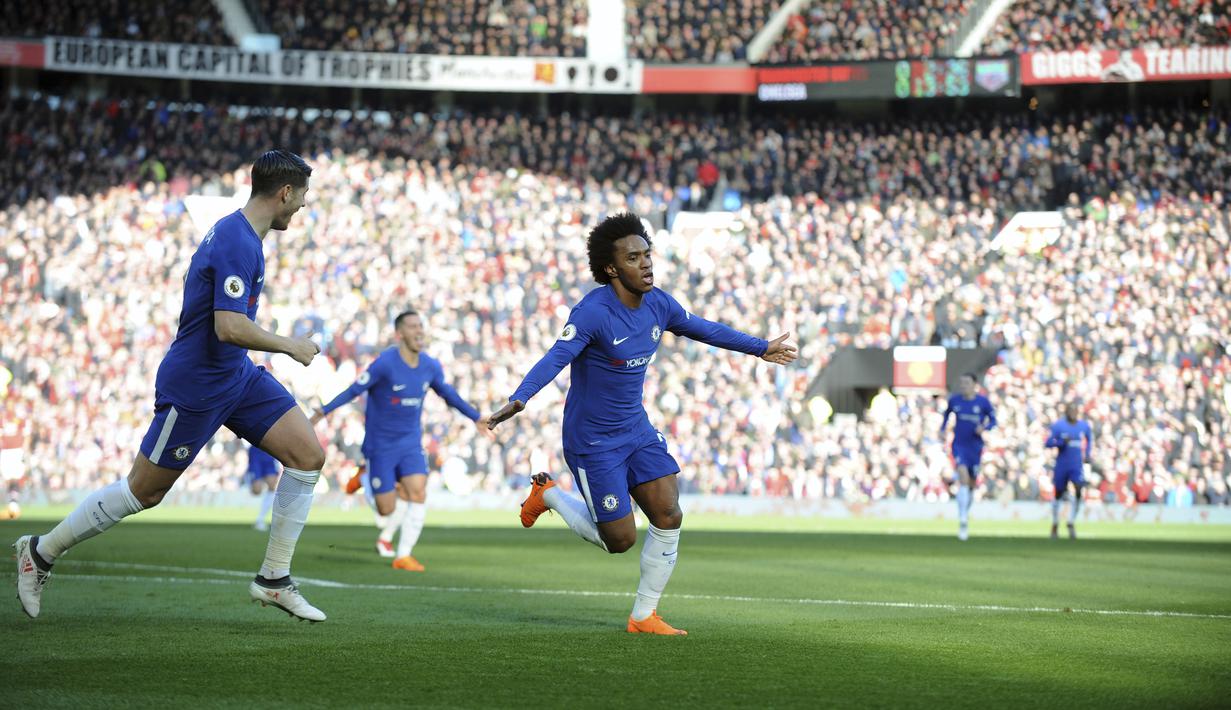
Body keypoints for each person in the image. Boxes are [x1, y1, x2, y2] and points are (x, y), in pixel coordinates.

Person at [14, 150, 328, 622]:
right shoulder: (237, 242)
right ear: (285, 192)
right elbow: (228, 326)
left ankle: (274, 579)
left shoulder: (241, 234)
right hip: (197, 384)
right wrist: (290, 346)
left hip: (235, 376)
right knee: (144, 490)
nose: (302, 206)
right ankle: (40, 551)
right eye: (302, 196)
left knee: (308, 456)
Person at [487, 212, 797, 635]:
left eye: (647, 254)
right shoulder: (593, 313)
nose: (646, 264)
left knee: (669, 513)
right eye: (633, 257)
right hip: (592, 441)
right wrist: (519, 398)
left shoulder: (659, 304)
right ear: (611, 268)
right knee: (620, 541)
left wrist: (760, 347)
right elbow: (555, 357)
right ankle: (550, 496)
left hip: (636, 429)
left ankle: (643, 616)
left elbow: (701, 328)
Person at [311, 310, 492, 571]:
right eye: (412, 326)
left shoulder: (430, 366)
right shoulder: (385, 363)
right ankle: (364, 477)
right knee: (386, 509)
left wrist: (475, 417)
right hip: (380, 445)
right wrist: (324, 411)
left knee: (418, 491)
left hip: (409, 443)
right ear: (400, 333)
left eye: (421, 325)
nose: (419, 331)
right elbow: (354, 389)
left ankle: (403, 555)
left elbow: (448, 394)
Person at [939, 373, 996, 541]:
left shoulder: (982, 402)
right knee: (962, 477)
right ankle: (963, 519)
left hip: (975, 447)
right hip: (959, 446)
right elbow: (946, 415)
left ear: (974, 385)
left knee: (971, 484)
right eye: (961, 382)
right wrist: (943, 429)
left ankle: (964, 512)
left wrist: (984, 427)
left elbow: (993, 420)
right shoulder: (955, 400)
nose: (963, 385)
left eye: (967, 383)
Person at [1045, 402, 1093, 539]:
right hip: (1062, 464)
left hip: (1076, 465)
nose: (1072, 414)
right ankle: (1055, 524)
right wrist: (1060, 442)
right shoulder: (1059, 426)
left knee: (1079, 489)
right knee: (1058, 493)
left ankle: (1071, 522)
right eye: (1070, 411)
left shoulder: (1084, 426)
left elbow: (1089, 439)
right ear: (1066, 412)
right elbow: (1048, 443)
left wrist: (1088, 454)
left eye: (1075, 411)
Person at [245, 444, 282, 531]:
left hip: (269, 450)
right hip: (256, 451)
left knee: (272, 485)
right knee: (256, 490)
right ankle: (248, 478)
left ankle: (260, 519)